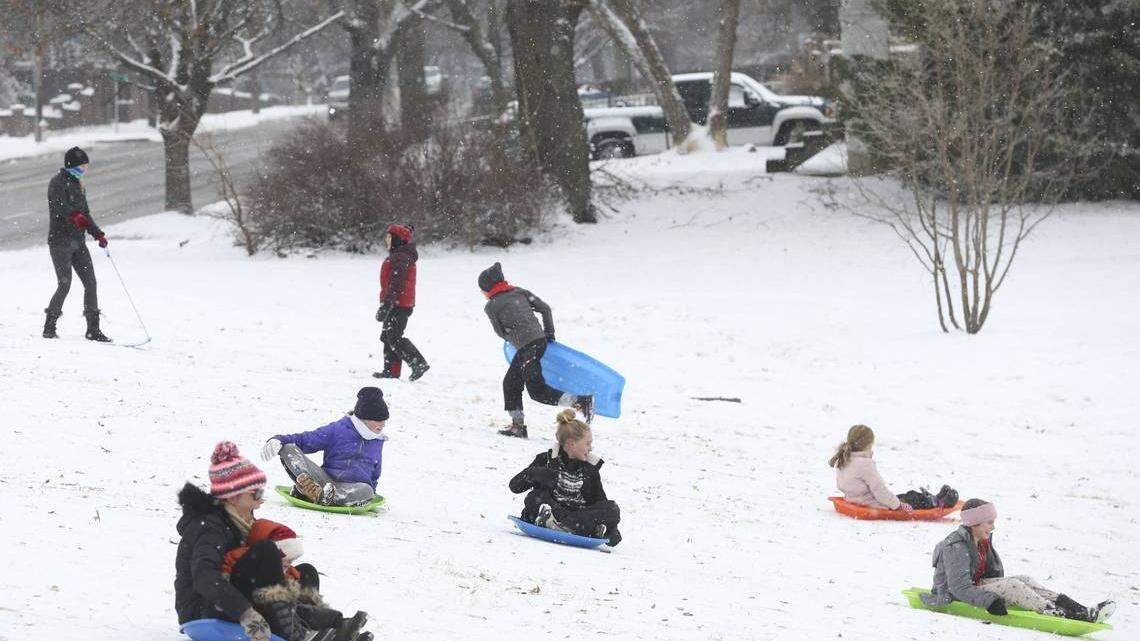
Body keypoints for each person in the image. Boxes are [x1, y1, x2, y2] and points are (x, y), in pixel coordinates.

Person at [175, 442, 342, 641]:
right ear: (232, 497)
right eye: (255, 494)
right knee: (266, 551)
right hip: (203, 609)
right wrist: (246, 613)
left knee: (306, 572)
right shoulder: (210, 528)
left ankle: (310, 624)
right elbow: (205, 578)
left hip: (231, 602)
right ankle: (295, 628)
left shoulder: (240, 521)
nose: (260, 500)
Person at [921, 498, 1115, 623]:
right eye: (990, 522)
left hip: (974, 586)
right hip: (952, 594)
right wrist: (990, 601)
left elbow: (987, 574)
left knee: (1024, 579)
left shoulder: (980, 541)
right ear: (974, 523)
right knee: (1013, 585)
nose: (993, 526)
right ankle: (1060, 614)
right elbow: (958, 588)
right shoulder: (957, 546)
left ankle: (1079, 609)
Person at [478, 262, 593, 438]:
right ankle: (518, 426)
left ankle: (580, 401)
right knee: (511, 383)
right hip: (539, 342)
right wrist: (549, 333)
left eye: (482, 290)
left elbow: (500, 332)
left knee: (538, 392)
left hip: (527, 349)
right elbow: (545, 309)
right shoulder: (519, 292)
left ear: (487, 288)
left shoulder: (492, 306)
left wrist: (515, 338)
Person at [508, 409, 621, 546]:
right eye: (587, 443)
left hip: (578, 516)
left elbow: (600, 502)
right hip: (551, 511)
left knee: (612, 508)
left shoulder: (589, 470)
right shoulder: (546, 460)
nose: (590, 448)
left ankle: (563, 526)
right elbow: (514, 486)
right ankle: (564, 525)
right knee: (535, 497)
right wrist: (537, 473)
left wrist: (612, 529)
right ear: (572, 444)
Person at [263, 387, 388, 507]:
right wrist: (279, 440)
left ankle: (320, 496)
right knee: (288, 448)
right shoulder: (338, 430)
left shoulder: (377, 440)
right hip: (324, 482)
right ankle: (308, 487)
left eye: (384, 420)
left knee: (367, 490)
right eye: (378, 420)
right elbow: (305, 440)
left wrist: (370, 493)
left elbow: (375, 472)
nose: (382, 424)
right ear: (363, 419)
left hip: (351, 490)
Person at [44, 146, 110, 342]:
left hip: (78, 242)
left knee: (91, 283)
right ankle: (49, 326)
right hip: (60, 241)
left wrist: (97, 234)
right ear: (72, 165)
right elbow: (60, 207)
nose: (84, 169)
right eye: (82, 165)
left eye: (85, 166)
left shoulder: (80, 184)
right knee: (64, 284)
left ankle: (93, 330)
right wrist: (74, 216)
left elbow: (85, 213)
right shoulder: (57, 183)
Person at [828, 424, 957, 512]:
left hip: (855, 499)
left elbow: (843, 484)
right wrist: (898, 506)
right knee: (913, 499)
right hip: (873, 504)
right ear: (867, 444)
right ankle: (937, 503)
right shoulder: (865, 464)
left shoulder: (844, 458)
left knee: (906, 496)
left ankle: (933, 498)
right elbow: (880, 491)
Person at [372, 223, 429, 381]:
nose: (386, 240)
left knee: (394, 337)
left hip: (399, 304)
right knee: (387, 336)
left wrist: (388, 304)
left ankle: (418, 363)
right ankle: (391, 371)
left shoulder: (400, 256)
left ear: (396, 240)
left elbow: (397, 283)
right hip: (396, 302)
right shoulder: (399, 254)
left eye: (389, 237)